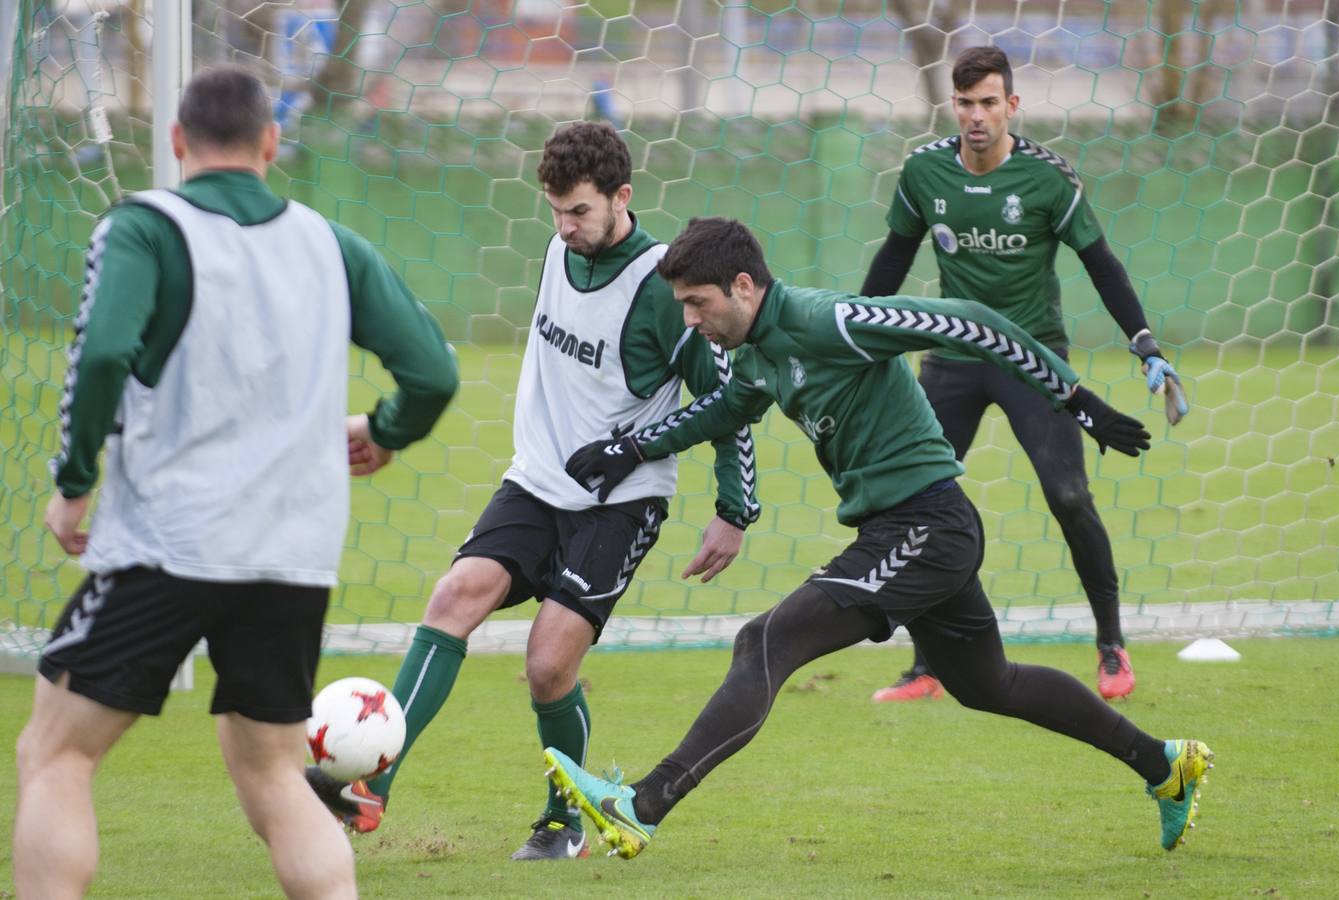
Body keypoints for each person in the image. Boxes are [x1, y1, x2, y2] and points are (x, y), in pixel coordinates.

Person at [549, 216, 1213, 859]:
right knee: (989, 685)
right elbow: (725, 410)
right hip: (912, 533)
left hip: (927, 525)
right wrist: (632, 448)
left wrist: (1075, 400)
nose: (690, 320)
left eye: (698, 303)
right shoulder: (752, 356)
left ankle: (640, 806)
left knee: (765, 640)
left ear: (744, 286)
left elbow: (970, 322)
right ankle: (1163, 763)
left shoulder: (828, 321)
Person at [13, 64, 459, 899]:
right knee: (272, 776)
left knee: (55, 754)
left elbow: (102, 353)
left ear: (178, 142)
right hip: (293, 556)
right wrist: (384, 431)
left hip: (169, 545)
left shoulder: (145, 227)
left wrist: (75, 483)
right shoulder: (333, 242)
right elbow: (432, 372)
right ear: (271, 144)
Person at [304, 122, 761, 860]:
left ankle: (562, 820)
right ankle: (369, 786)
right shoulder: (561, 247)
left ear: (622, 197)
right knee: (454, 597)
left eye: (579, 211)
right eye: (555, 211)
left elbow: (729, 401)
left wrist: (733, 512)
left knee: (548, 666)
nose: (565, 227)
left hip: (622, 499)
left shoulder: (658, 288)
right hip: (537, 479)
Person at [863, 45, 1188, 704]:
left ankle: (1111, 645)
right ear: (952, 107)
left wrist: (1144, 343)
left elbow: (1102, 264)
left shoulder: (1049, 180)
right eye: (965, 104)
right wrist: (858, 335)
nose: (976, 116)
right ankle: (926, 663)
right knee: (915, 503)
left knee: (1068, 496)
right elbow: (893, 259)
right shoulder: (925, 173)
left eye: (988, 102)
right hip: (952, 355)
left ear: (1012, 105)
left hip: (1034, 359)